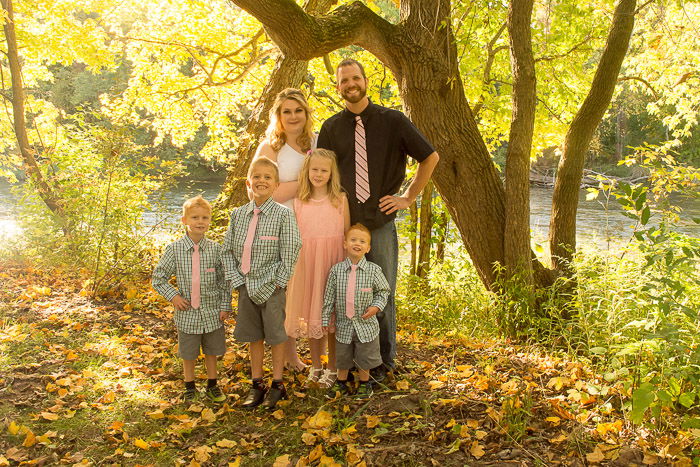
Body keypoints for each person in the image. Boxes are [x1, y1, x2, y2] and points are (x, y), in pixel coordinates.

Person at [317, 59, 440, 381]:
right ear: (338, 87)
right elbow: (321, 174)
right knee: (342, 293)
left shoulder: (393, 121)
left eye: (355, 78)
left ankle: (383, 363)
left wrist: (409, 196)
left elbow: (430, 157)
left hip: (381, 223)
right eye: (344, 80)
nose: (350, 84)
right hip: (343, 224)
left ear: (366, 81)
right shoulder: (331, 128)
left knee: (380, 293)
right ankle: (350, 363)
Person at [221, 157, 301, 410]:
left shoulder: (283, 215)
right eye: (257, 176)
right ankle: (257, 384)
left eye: (267, 177)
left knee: (275, 336)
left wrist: (278, 282)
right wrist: (237, 281)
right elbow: (227, 252)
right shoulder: (238, 215)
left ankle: (277, 384)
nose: (262, 181)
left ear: (276, 184)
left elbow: (291, 250)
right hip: (245, 285)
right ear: (248, 182)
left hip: (271, 287)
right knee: (253, 335)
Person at [254, 87, 316, 371]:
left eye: (298, 110)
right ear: (278, 116)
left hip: (315, 228)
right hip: (282, 228)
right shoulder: (270, 147)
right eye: (286, 112)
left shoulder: (317, 142)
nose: (293, 117)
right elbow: (260, 192)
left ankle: (315, 355)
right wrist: (305, 185)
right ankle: (289, 356)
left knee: (309, 291)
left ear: (306, 113)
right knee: (286, 293)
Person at [152, 195, 231, 403]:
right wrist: (174, 296)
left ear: (210, 220)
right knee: (188, 352)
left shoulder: (215, 250)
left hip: (212, 312)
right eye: (195, 217)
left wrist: (225, 306)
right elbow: (158, 278)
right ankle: (189, 386)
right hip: (187, 313)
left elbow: (224, 281)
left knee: (212, 350)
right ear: (184, 221)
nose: (200, 222)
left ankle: (213, 384)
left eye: (205, 218)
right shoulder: (175, 250)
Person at [285, 149, 350, 388]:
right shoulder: (299, 202)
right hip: (308, 264)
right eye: (315, 169)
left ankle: (332, 368)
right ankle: (315, 366)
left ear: (332, 173)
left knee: (331, 319)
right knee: (314, 316)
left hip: (332, 264)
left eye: (324, 170)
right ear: (307, 171)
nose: (319, 174)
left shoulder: (340, 200)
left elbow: (346, 235)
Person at [322, 223, 390, 399]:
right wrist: (325, 320)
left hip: (366, 325)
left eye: (362, 241)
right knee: (342, 356)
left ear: (368, 248)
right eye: (353, 240)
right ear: (345, 244)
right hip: (343, 324)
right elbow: (329, 298)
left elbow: (383, 291)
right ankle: (341, 383)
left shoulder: (374, 270)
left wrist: (376, 306)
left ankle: (365, 383)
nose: (357, 243)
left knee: (365, 356)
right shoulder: (336, 271)